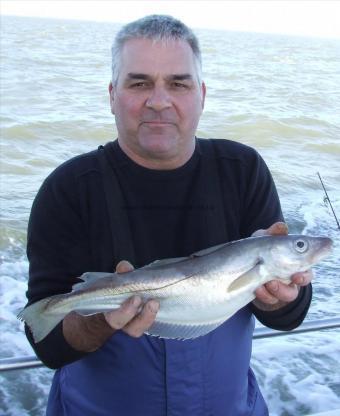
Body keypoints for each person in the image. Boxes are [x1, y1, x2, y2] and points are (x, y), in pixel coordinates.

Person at [25, 15, 313, 416]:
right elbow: (47, 342)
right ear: (112, 94)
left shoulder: (243, 170)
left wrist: (280, 298)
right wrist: (101, 319)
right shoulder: (69, 188)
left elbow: (288, 316)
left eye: (178, 83)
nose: (159, 100)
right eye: (139, 83)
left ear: (202, 95)